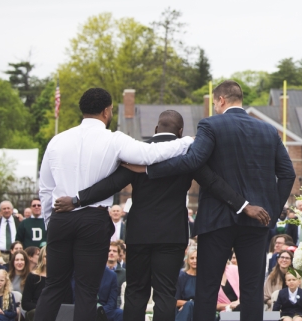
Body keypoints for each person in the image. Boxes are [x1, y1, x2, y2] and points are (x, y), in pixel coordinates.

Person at [134, 80, 296, 321]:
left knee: (207, 287)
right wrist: (270, 210)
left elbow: (193, 162)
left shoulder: (210, 125)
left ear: (221, 100)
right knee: (251, 289)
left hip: (217, 219)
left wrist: (149, 170)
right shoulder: (269, 130)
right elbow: (287, 174)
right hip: (257, 222)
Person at [35, 87, 198, 321]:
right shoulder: (114, 140)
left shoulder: (56, 141)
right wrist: (187, 142)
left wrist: (52, 223)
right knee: (87, 291)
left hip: (62, 217)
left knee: (53, 287)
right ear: (106, 110)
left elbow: (46, 189)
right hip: (93, 220)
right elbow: (149, 155)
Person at [22, 246, 47, 321]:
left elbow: (66, 301)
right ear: (41, 258)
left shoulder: (59, 278)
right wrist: (42, 307)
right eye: (46, 256)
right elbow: (25, 303)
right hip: (36, 311)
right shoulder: (32, 276)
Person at [175, 250, 198, 321]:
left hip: (200, 310)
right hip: (183, 311)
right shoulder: (181, 276)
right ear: (187, 260)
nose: (195, 261)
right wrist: (189, 304)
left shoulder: (204, 278)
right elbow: (175, 301)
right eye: (192, 258)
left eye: (197, 258)